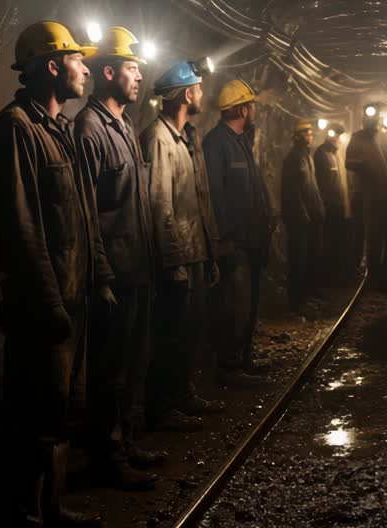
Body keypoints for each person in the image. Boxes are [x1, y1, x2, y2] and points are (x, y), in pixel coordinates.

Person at [0, 21, 104, 527]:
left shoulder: (57, 130)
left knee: (62, 411)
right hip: (41, 308)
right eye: (78, 59)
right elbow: (22, 229)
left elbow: (77, 219)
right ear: (53, 66)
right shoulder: (14, 130)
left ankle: (52, 508)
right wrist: (51, 304)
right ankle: (24, 515)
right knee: (35, 415)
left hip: (72, 300)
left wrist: (95, 284)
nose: (86, 68)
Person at [73, 27, 163, 491]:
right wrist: (102, 275)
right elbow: (87, 212)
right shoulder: (88, 130)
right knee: (107, 372)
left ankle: (125, 443)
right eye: (131, 68)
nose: (138, 76)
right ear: (107, 72)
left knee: (131, 363)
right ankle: (106, 458)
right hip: (115, 275)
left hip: (139, 268)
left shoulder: (124, 126)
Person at [140, 60, 224, 432]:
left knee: (190, 330)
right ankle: (163, 406)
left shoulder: (186, 137)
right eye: (199, 88)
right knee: (171, 333)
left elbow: (198, 201)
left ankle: (183, 393)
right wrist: (173, 261)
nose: (203, 94)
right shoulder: (159, 138)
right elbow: (161, 205)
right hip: (178, 256)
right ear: (187, 94)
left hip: (195, 252)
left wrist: (209, 250)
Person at [203, 79, 273, 386]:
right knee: (234, 305)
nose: (255, 110)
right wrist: (224, 240)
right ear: (243, 109)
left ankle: (243, 358)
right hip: (235, 243)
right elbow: (215, 197)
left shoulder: (241, 140)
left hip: (253, 240)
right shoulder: (216, 144)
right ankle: (229, 367)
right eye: (252, 105)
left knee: (248, 304)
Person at [346, 103, 387, 293]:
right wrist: (365, 164)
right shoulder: (358, 138)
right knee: (375, 238)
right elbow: (348, 161)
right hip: (370, 195)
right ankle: (375, 277)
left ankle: (386, 275)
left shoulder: (384, 137)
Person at [281, 120, 325, 314]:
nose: (311, 136)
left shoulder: (306, 156)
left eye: (311, 133)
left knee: (310, 257)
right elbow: (292, 191)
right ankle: (296, 301)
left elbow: (311, 187)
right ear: (299, 136)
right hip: (299, 219)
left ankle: (308, 293)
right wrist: (302, 213)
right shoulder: (293, 158)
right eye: (307, 133)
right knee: (298, 259)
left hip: (310, 216)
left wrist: (318, 210)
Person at [313, 123, 352, 281]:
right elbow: (320, 183)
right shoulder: (321, 154)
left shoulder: (337, 154)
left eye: (338, 135)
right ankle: (329, 277)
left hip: (339, 207)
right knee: (330, 243)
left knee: (338, 243)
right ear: (328, 135)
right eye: (334, 135)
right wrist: (323, 204)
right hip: (329, 208)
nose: (336, 138)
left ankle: (337, 274)